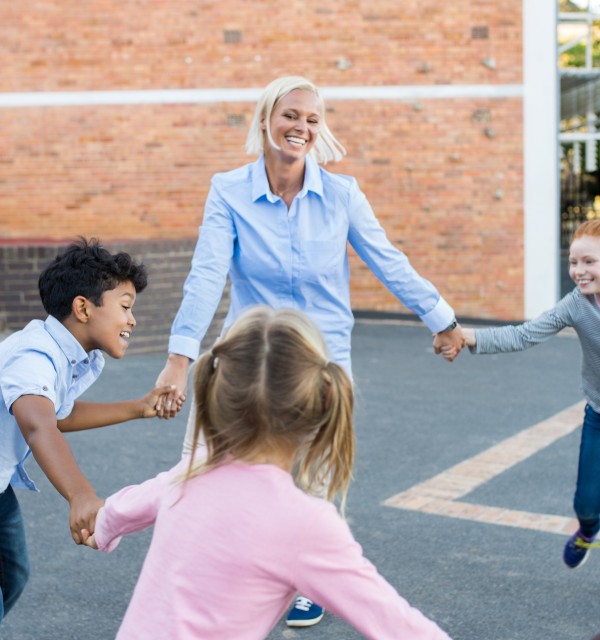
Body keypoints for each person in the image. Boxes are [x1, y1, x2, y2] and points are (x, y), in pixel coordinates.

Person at [154, 75, 464, 626]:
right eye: (291, 115)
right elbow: (205, 277)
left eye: (313, 120)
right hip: (249, 351)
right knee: (198, 463)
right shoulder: (228, 190)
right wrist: (180, 362)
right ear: (267, 119)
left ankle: (304, 579)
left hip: (321, 355)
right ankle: (192, 565)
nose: (302, 128)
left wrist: (441, 320)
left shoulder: (341, 194)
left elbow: (387, 260)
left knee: (310, 475)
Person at [82, 306, 452, 640]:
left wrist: (100, 529)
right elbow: (396, 623)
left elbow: (121, 510)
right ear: (321, 402)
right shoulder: (306, 524)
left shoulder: (193, 469)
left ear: (218, 393)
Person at [0, 238, 180, 623]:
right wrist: (81, 496)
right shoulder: (35, 354)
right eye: (126, 307)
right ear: (83, 307)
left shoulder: (66, 354)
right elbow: (37, 424)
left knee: (12, 574)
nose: (132, 320)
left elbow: (58, 413)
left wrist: (138, 407)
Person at [461, 219, 600, 570]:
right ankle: (587, 531)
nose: (579, 271)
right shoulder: (575, 304)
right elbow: (524, 335)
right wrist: (467, 336)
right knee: (586, 504)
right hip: (598, 416)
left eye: (589, 261)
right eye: (574, 261)